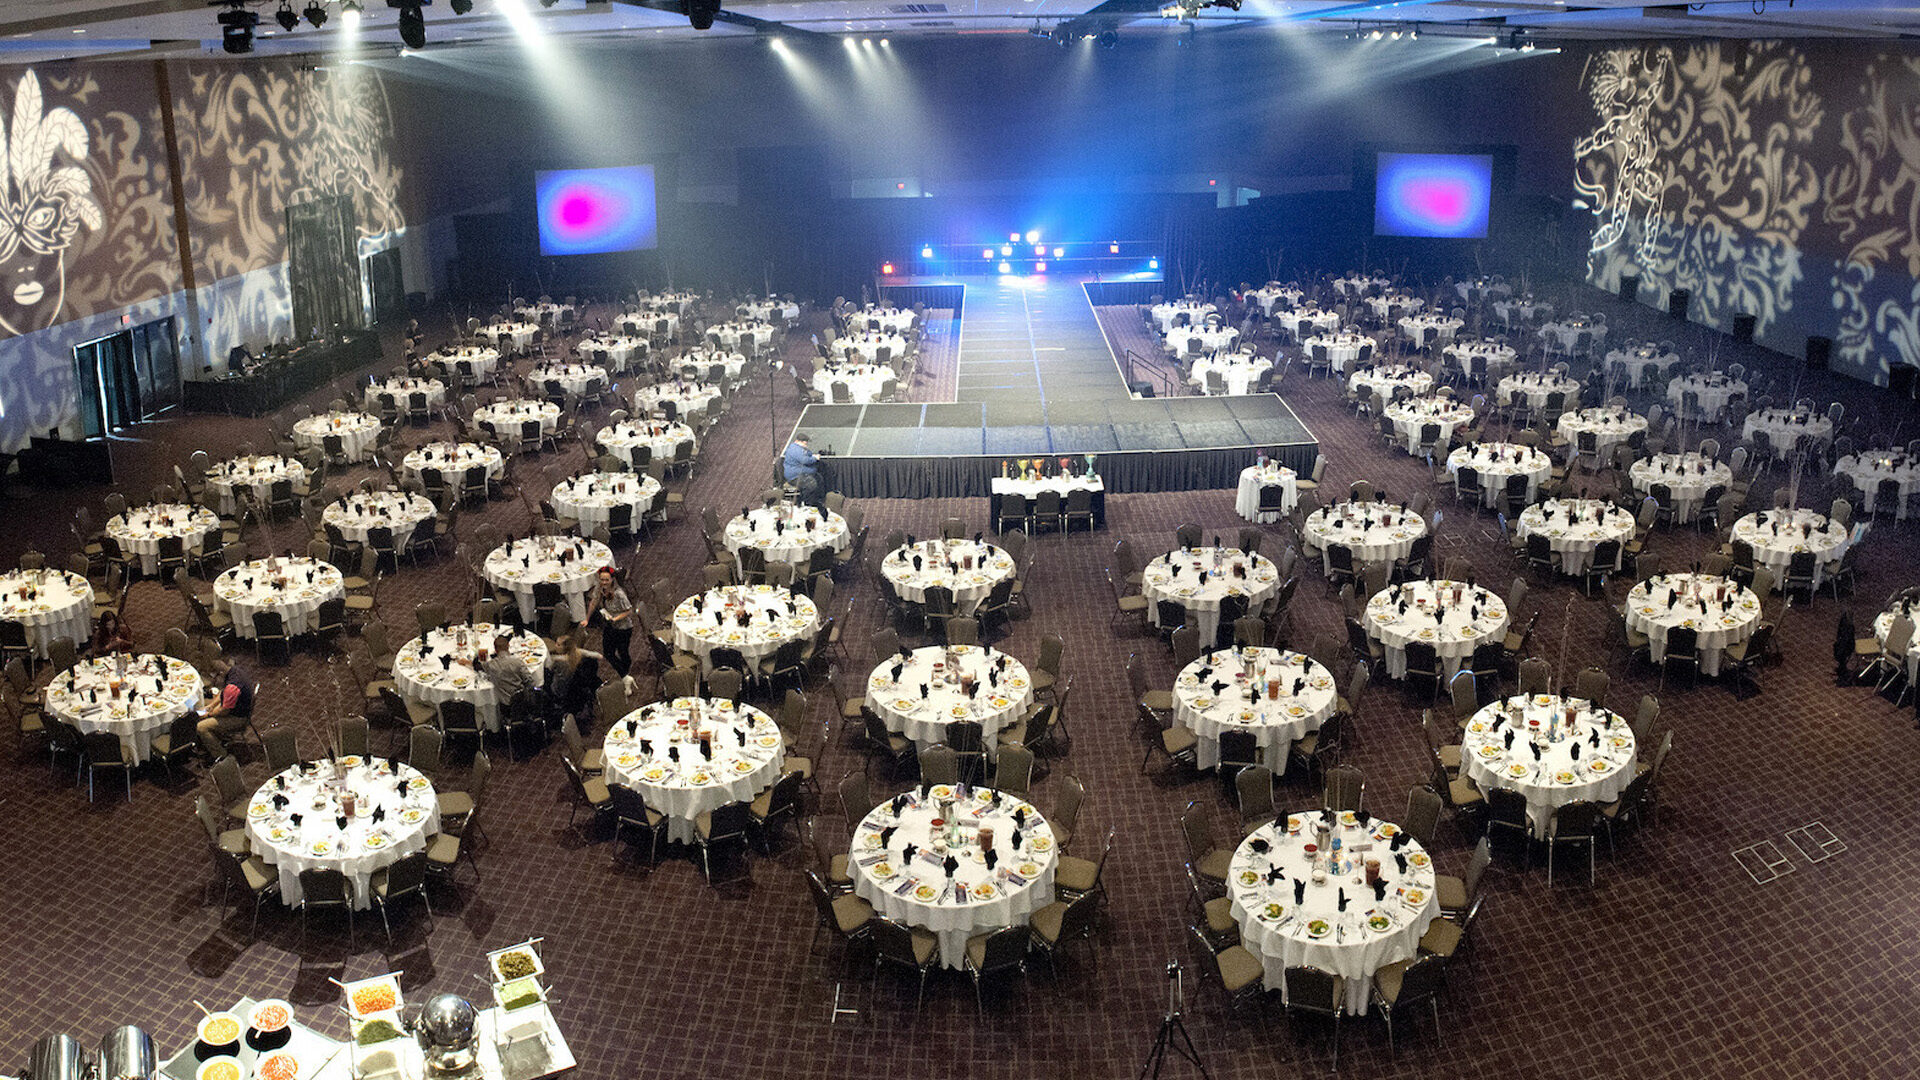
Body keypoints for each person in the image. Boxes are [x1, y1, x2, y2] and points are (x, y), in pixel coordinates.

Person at [195, 658, 256, 752]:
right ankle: (212, 738)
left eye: (216, 676)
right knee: (203, 704)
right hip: (235, 708)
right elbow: (223, 692)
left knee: (201, 727)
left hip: (238, 718)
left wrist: (208, 714)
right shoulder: (235, 671)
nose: (215, 680)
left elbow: (223, 711)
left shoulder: (232, 687)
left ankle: (221, 755)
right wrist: (211, 706)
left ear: (220, 673)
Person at [592, 567, 634, 677]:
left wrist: (615, 618)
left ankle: (625, 674)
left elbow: (629, 611)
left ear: (612, 579)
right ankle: (624, 674)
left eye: (607, 580)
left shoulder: (619, 593)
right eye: (602, 580)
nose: (604, 582)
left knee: (623, 652)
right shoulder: (600, 589)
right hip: (610, 626)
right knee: (608, 653)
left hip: (623, 628)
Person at [783, 432, 823, 507]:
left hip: (802, 474)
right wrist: (815, 458)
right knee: (811, 484)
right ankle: (807, 504)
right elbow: (804, 460)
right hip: (795, 476)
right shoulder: (795, 450)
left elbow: (807, 454)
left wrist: (811, 455)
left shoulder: (799, 448)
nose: (806, 444)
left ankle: (816, 500)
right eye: (805, 443)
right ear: (799, 441)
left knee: (819, 478)